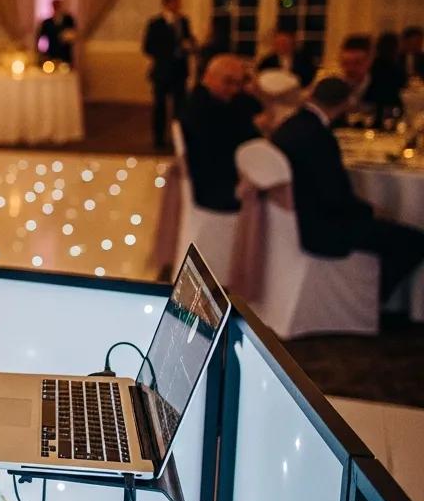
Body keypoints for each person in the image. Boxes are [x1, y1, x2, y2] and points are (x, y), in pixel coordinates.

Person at [271, 77, 424, 309]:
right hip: (320, 228)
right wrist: (371, 211)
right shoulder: (319, 137)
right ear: (345, 103)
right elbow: (333, 197)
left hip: (294, 220)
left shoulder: (290, 125)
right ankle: (376, 306)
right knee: (413, 241)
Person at [178, 56, 260, 211]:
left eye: (239, 84)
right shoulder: (202, 107)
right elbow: (241, 136)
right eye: (228, 82)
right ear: (208, 77)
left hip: (215, 177)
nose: (234, 89)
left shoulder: (211, 99)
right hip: (215, 187)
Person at [142, 0, 196, 149]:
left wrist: (189, 46)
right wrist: (166, 52)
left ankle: (178, 137)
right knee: (160, 106)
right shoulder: (155, 23)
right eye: (174, 2)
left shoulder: (184, 21)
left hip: (180, 70)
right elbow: (147, 47)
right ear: (166, 4)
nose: (177, 6)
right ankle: (158, 138)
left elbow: (188, 39)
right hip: (162, 71)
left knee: (180, 107)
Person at [336, 34, 405, 125]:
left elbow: (396, 114)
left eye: (357, 63)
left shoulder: (385, 87)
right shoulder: (334, 89)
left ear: (369, 61)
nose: (350, 69)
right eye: (346, 63)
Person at [36, 0, 76, 65]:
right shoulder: (46, 22)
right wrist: (42, 53)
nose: (57, 7)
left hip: (65, 55)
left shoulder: (68, 20)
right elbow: (41, 38)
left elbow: (73, 35)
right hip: (51, 54)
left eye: (58, 5)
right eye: (55, 5)